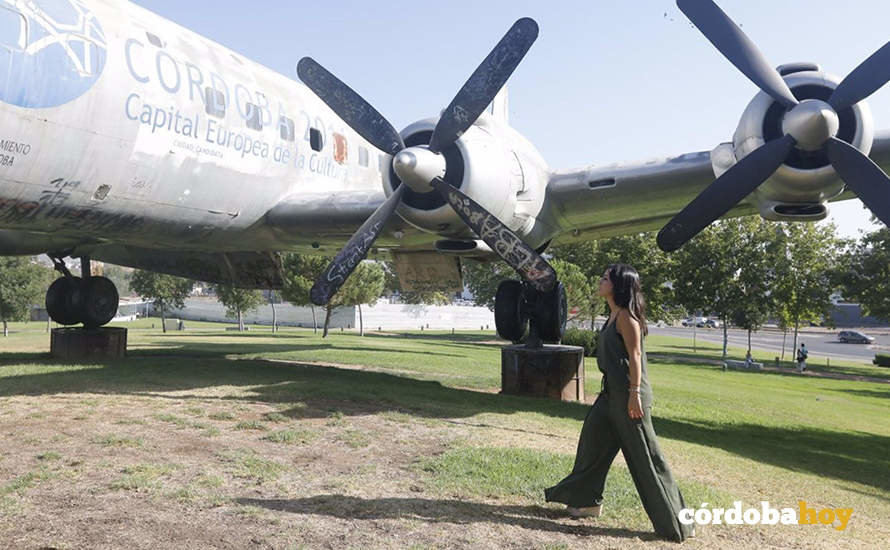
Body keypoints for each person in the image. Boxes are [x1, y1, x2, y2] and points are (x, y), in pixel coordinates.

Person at [544, 264, 694, 543]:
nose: (599, 281)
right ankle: (587, 502)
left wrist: (635, 394)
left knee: (646, 459)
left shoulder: (627, 317)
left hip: (629, 396)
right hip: (610, 394)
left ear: (619, 286)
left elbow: (636, 357)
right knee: (592, 443)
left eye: (605, 279)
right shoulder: (612, 315)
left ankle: (677, 523)